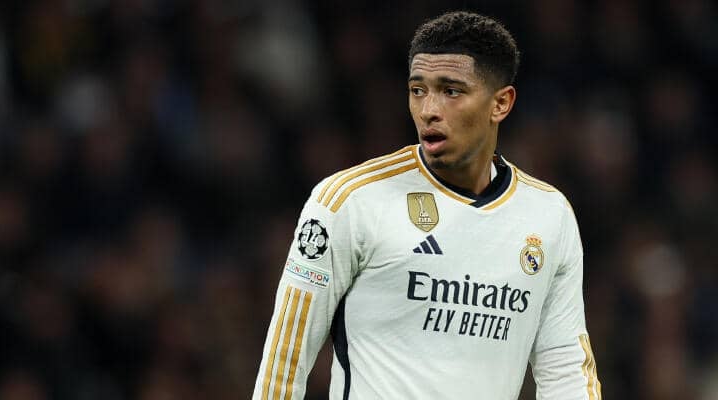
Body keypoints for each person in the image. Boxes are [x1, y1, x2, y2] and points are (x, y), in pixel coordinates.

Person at [253, 11, 601, 399]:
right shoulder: (349, 201)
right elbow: (285, 360)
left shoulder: (549, 215)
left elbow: (565, 368)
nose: (428, 109)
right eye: (418, 90)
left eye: (451, 91)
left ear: (500, 104)